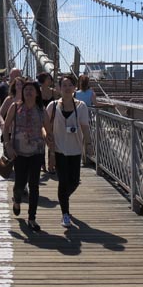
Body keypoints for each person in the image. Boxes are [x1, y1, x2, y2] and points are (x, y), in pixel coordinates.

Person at [46, 74, 90, 228]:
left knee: (74, 181)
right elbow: (45, 127)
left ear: (74, 87)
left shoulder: (81, 106)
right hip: (59, 150)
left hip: (76, 149)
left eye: (70, 85)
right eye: (63, 85)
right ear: (58, 88)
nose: (66, 88)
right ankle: (65, 214)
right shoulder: (52, 106)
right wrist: (48, 142)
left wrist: (89, 144)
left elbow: (85, 127)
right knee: (63, 181)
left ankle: (63, 197)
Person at [3, 81, 46, 231]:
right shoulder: (15, 107)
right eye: (26, 89)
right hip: (19, 152)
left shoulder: (41, 110)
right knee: (20, 184)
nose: (28, 92)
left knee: (34, 186)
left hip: (37, 152)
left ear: (37, 93)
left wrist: (50, 141)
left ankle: (32, 218)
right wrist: (8, 145)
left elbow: (47, 128)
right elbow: (6, 126)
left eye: (31, 90)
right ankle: (16, 200)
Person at [36, 72, 59, 172]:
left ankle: (51, 164)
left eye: (50, 79)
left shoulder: (54, 92)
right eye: (48, 79)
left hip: (52, 120)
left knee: (51, 140)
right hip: (39, 120)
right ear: (43, 80)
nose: (50, 81)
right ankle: (42, 164)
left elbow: (61, 102)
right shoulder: (37, 93)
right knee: (41, 143)